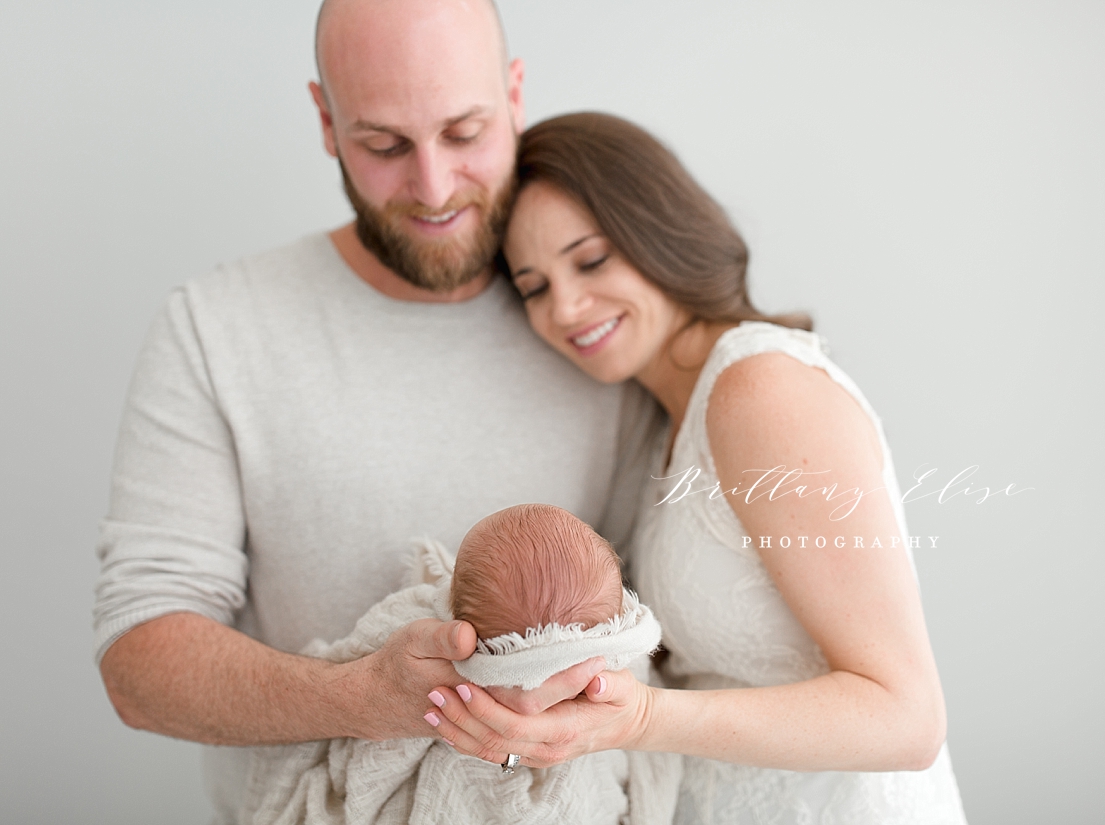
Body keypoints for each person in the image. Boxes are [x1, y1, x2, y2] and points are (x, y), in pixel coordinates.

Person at [92, 2, 656, 821]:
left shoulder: (594, 322)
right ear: (326, 120)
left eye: (464, 133)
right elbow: (138, 660)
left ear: (514, 96)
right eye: (384, 145)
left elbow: (672, 626)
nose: (431, 187)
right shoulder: (217, 326)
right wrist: (360, 697)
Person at [421, 113, 970, 824]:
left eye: (589, 260)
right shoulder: (666, 426)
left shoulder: (760, 388)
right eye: (533, 286)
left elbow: (907, 717)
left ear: (657, 229)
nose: (565, 306)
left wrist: (642, 717)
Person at [241, 504, 678, 825]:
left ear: (452, 601)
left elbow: (357, 647)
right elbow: (641, 679)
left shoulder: (418, 615)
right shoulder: (619, 646)